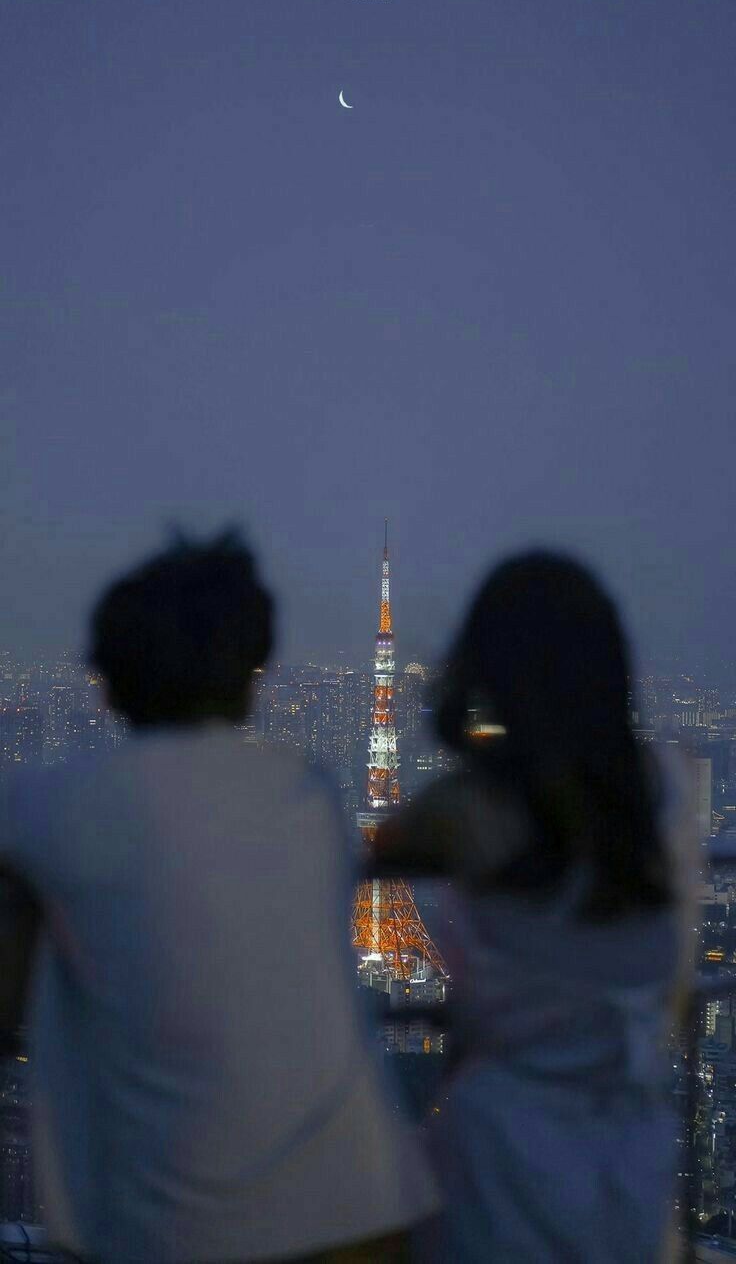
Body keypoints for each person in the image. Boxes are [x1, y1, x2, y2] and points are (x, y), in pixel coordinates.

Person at [0, 531, 438, 1264]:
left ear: (105, 680)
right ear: (251, 678)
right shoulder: (311, 795)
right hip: (351, 1209)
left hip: (163, 1227)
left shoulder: (61, 801)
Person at [372, 551, 697, 1264]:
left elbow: (377, 844)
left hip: (501, 1158)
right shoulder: (667, 789)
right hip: (629, 1157)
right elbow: (670, 986)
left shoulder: (473, 806)